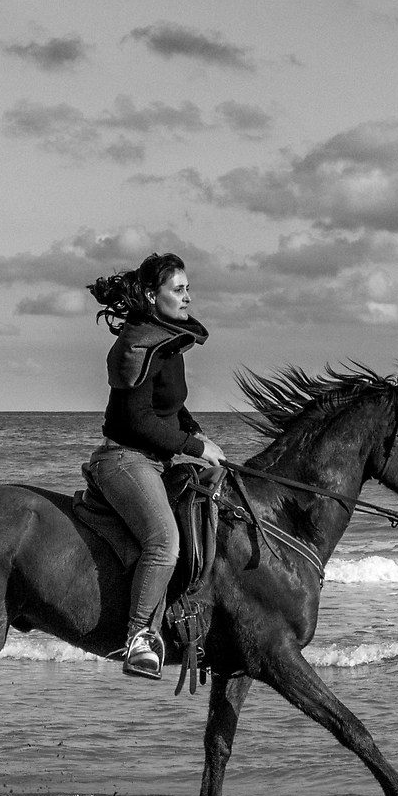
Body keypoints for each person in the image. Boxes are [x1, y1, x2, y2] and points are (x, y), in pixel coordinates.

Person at [84, 253, 226, 679]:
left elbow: (170, 409)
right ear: (152, 295)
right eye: (178, 290)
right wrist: (193, 448)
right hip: (125, 460)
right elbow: (136, 421)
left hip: (155, 460)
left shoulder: (167, 342)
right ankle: (138, 638)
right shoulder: (138, 344)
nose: (188, 297)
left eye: (187, 289)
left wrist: (196, 434)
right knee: (164, 541)